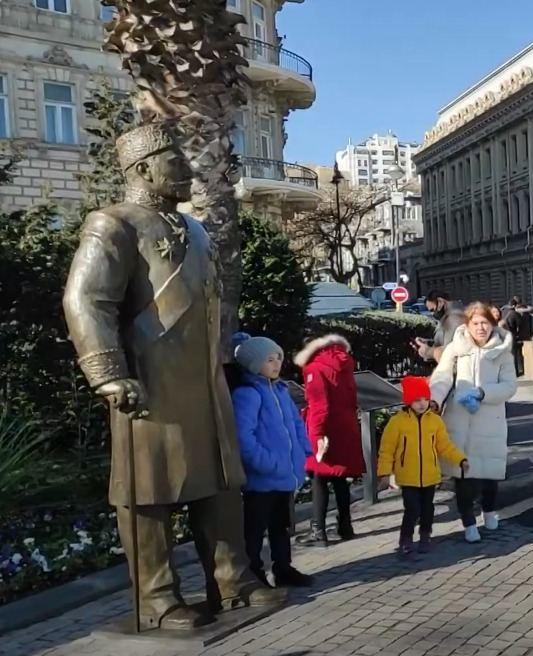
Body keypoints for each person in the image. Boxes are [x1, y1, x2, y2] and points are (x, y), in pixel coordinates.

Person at [62, 122, 281, 629]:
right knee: (149, 492)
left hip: (204, 383)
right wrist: (108, 373)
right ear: (142, 169)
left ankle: (233, 580)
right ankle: (157, 599)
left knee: (221, 483)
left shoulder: (198, 230)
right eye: (174, 161)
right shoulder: (112, 224)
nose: (186, 169)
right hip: (149, 383)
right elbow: (85, 300)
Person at [430, 302, 519, 543]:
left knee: (489, 476)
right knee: (464, 476)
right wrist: (434, 401)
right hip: (460, 422)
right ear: (467, 325)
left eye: (485, 323)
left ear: (492, 324)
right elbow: (442, 377)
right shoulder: (455, 349)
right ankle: (469, 522)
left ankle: (489, 511)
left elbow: (510, 386)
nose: (481, 328)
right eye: (476, 323)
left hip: (490, 422)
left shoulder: (502, 352)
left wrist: (483, 393)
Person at [231, 336, 314, 588]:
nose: (277, 363)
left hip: (285, 477)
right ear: (255, 364)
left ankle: (283, 567)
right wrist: (267, 463)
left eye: (278, 357)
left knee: (282, 527)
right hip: (263, 479)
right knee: (255, 531)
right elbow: (243, 437)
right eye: (269, 359)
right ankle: (254, 572)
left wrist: (303, 450)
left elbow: (296, 424)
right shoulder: (249, 394)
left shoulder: (280, 390)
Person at [378, 376, 470, 558]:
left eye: (425, 399)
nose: (422, 404)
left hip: (429, 475)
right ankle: (405, 539)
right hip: (407, 476)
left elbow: (444, 446)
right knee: (412, 509)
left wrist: (460, 459)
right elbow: (386, 450)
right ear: (408, 401)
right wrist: (385, 473)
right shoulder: (397, 422)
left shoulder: (435, 422)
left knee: (428, 509)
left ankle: (425, 535)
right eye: (417, 400)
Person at [294, 334, 365, 547]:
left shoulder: (315, 368)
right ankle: (345, 525)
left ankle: (318, 531)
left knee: (319, 477)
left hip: (326, 429)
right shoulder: (343, 363)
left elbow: (319, 406)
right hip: (345, 426)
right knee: (339, 477)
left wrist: (315, 438)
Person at [413, 290, 465, 362]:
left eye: (432, 310)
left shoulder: (454, 319)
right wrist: (428, 343)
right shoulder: (447, 317)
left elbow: (451, 353)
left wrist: (428, 352)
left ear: (440, 302)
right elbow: (446, 340)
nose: (432, 314)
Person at [503, 297, 533, 377]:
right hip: (512, 336)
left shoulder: (504, 312)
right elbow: (520, 325)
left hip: (504, 336)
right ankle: (515, 373)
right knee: (515, 355)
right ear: (515, 305)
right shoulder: (515, 314)